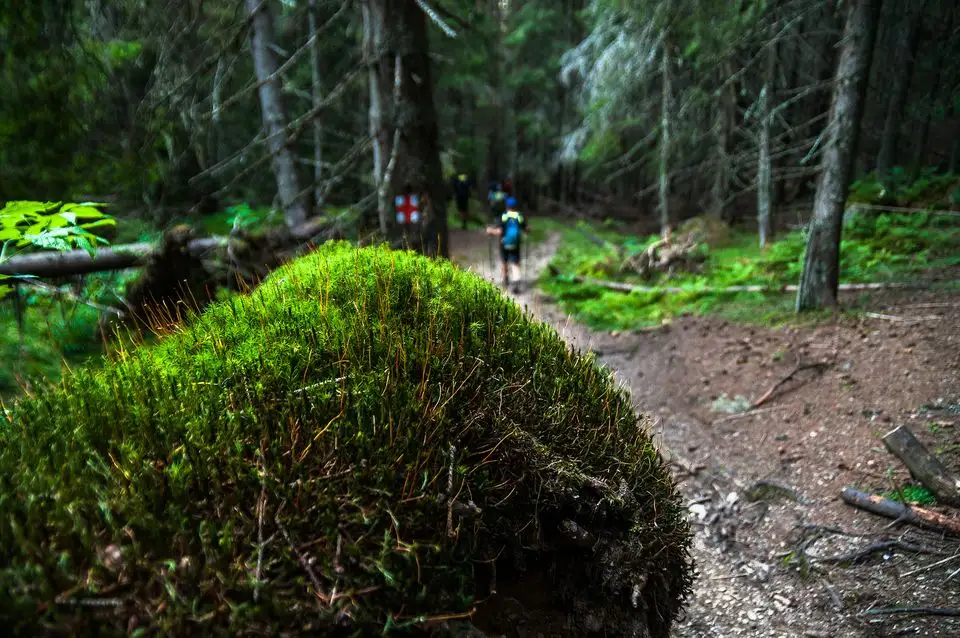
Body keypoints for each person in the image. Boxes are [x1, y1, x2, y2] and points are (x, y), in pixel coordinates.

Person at [486, 196, 527, 293]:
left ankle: (506, 279)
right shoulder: (519, 216)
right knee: (515, 262)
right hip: (516, 243)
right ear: (515, 206)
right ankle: (516, 280)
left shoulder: (504, 216)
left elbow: (499, 231)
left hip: (504, 243)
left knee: (504, 261)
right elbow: (525, 229)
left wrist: (490, 231)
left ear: (507, 206)